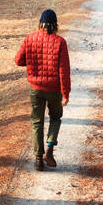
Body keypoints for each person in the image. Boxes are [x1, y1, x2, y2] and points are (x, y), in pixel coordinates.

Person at [13, 9, 71, 171]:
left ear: (40, 23)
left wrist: (32, 64)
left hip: (36, 89)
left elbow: (18, 60)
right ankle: (50, 150)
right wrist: (65, 94)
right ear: (55, 25)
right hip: (54, 89)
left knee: (37, 122)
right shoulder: (60, 42)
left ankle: (38, 158)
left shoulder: (29, 39)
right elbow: (64, 71)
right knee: (55, 118)